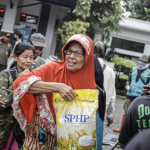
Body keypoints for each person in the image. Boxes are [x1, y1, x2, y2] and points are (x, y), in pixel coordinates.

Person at [12, 34, 103, 149]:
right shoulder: (52, 68)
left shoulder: (92, 82)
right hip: (44, 133)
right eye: (68, 51)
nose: (71, 56)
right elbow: (19, 83)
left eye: (78, 53)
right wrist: (57, 87)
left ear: (87, 56)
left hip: (73, 138)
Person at [0, 43, 35, 149]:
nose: (28, 61)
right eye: (25, 57)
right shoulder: (6, 75)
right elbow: (3, 100)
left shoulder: (34, 77)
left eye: (31, 57)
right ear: (15, 57)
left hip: (23, 127)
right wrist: (21, 85)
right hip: (5, 126)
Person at [114, 54, 150, 132]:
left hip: (140, 96)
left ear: (146, 63)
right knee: (126, 111)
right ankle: (122, 128)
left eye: (143, 62)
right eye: (140, 61)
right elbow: (129, 79)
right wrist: (127, 85)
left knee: (138, 114)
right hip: (130, 94)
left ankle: (133, 130)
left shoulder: (148, 72)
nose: (141, 63)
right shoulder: (133, 69)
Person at [94, 41, 116, 125]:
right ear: (104, 54)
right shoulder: (110, 71)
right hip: (100, 111)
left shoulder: (84, 66)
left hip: (83, 109)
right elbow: (112, 95)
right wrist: (109, 114)